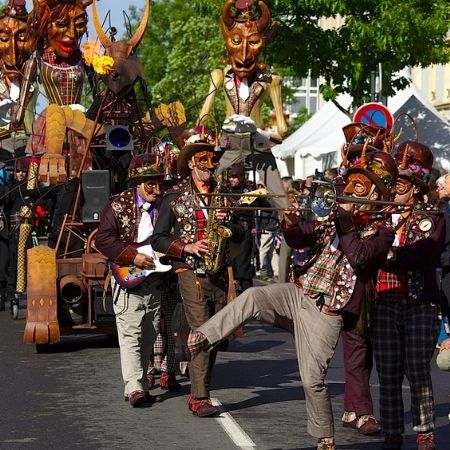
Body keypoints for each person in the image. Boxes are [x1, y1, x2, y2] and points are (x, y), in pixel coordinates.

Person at [187, 149, 398, 450]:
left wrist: (346, 220)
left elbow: (360, 257)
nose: (348, 191)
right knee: (254, 295)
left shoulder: (382, 231)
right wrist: (291, 221)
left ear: (376, 194)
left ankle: (324, 437)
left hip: (326, 311)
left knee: (312, 379)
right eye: (349, 185)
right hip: (299, 292)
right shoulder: (334, 218)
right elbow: (300, 239)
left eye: (358, 188)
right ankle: (202, 337)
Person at [151, 127, 245, 417]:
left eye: (212, 161)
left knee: (215, 333)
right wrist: (186, 247)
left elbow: (242, 233)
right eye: (203, 161)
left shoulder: (224, 195)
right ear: (191, 163)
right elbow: (158, 238)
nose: (209, 166)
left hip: (219, 272)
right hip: (189, 272)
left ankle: (200, 385)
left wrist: (230, 228)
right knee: (203, 329)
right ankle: (199, 396)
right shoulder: (174, 197)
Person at [370, 141, 444, 450]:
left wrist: (390, 256)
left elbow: (428, 250)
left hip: (420, 303)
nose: (393, 190)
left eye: (398, 185)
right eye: (391, 184)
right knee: (387, 371)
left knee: (416, 367)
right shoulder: (377, 216)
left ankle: (424, 430)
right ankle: (392, 432)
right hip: (385, 301)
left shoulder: (432, 215)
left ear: (413, 188)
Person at [198, 0, 288, 210]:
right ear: (227, 42)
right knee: (208, 188)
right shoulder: (219, 76)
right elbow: (203, 118)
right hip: (229, 142)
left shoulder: (270, 80)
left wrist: (269, 135)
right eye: (237, 42)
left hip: (257, 142)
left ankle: (289, 227)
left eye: (254, 42)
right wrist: (203, 137)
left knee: (280, 199)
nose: (245, 54)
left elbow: (282, 129)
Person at [95, 152, 166, 407]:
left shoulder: (166, 206)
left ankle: (142, 385)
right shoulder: (117, 205)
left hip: (155, 281)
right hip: (127, 278)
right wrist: (131, 256)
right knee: (129, 334)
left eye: (160, 183)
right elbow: (102, 239)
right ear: (137, 183)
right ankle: (133, 386)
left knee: (149, 333)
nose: (157, 190)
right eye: (151, 184)